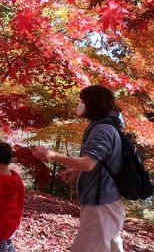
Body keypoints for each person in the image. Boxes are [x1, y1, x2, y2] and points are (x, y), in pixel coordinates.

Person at [32, 85, 125, 252]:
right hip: (109, 203)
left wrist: (52, 155)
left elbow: (89, 163)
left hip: (100, 206)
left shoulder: (101, 130)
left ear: (93, 104)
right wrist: (75, 170)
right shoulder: (109, 127)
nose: (80, 104)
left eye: (82, 101)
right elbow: (100, 162)